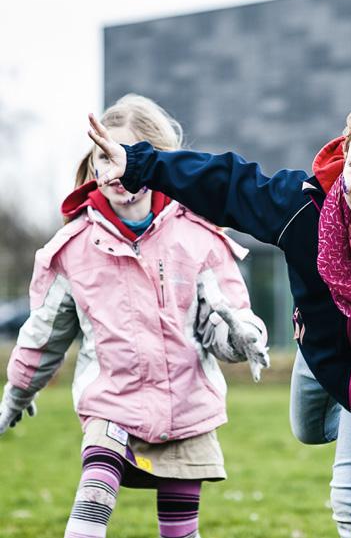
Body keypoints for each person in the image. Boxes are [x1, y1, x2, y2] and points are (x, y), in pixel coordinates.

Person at [88, 95, 351, 537]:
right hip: (317, 355)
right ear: (345, 157)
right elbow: (230, 184)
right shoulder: (302, 209)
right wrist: (140, 162)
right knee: (309, 431)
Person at [0, 94, 269, 538]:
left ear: (159, 163)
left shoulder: (199, 239)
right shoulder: (72, 250)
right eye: (106, 157)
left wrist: (242, 337)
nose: (118, 172)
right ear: (92, 167)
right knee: (89, 514)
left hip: (187, 409)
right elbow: (43, 336)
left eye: (132, 158)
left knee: (180, 532)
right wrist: (17, 393)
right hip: (111, 405)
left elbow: (226, 324)